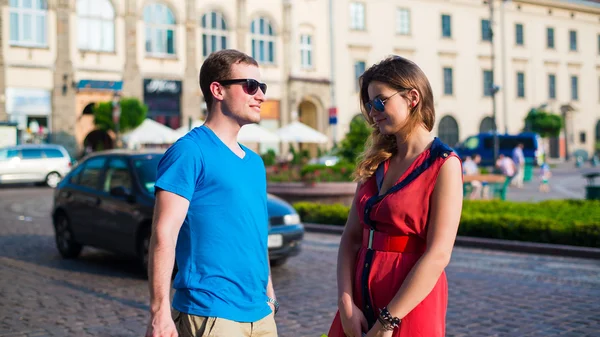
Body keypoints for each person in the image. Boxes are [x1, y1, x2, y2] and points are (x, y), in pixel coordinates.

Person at [145, 49, 278, 337]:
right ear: (217, 90)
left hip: (261, 314)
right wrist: (160, 313)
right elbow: (163, 234)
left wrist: (270, 296)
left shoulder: (255, 163)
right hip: (210, 314)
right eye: (250, 86)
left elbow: (256, 235)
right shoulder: (189, 152)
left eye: (262, 87)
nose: (261, 96)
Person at [327, 56, 463, 337]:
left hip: (408, 304)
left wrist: (388, 321)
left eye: (380, 101)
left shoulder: (444, 163)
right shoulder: (376, 162)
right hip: (359, 301)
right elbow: (351, 237)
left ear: (412, 97)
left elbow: (438, 254)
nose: (373, 111)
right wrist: (345, 302)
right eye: (368, 104)